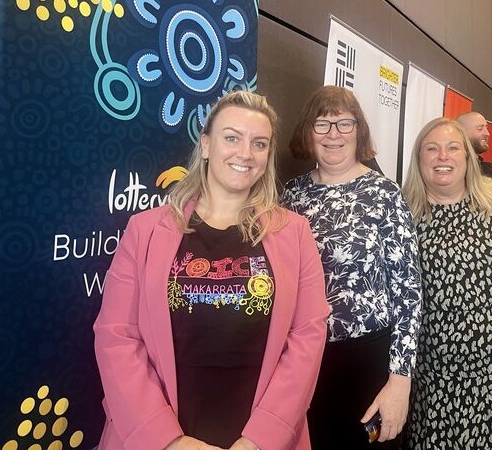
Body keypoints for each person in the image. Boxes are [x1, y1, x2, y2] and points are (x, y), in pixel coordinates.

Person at [94, 91, 329, 450]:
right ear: (205, 145)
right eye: (231, 137)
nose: (245, 153)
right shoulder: (144, 230)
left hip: (259, 439)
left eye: (259, 143)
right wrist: (169, 441)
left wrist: (259, 440)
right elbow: (116, 337)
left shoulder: (295, 234)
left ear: (267, 157)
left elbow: (307, 338)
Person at [281, 86, 422, 449]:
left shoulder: (384, 194)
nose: (334, 134)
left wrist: (400, 380)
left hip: (369, 364)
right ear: (307, 132)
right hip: (305, 362)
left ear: (359, 130)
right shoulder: (290, 196)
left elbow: (408, 291)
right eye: (322, 124)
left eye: (344, 123)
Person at [401, 117, 492, 449]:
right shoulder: (403, 214)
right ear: (419, 159)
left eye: (453, 148)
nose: (442, 157)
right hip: (437, 378)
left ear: (467, 156)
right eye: (431, 149)